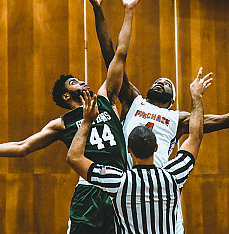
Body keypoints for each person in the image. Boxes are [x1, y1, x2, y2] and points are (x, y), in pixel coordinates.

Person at [72, 0, 229, 232]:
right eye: (157, 81)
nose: (160, 82)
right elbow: (111, 56)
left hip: (161, 187)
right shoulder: (133, 100)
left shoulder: (178, 119)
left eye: (166, 83)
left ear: (172, 100)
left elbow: (226, 119)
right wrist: (97, 10)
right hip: (128, 182)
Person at [0, 0, 148, 234]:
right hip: (89, 193)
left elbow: (119, 53)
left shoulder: (105, 97)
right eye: (74, 82)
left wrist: (123, 10)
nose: (82, 82)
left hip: (119, 188)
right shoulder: (62, 123)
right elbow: (22, 147)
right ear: (67, 96)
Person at [66, 67, 211, 234]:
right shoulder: (173, 175)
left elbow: (73, 157)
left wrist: (87, 121)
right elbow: (195, 137)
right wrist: (196, 97)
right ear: (156, 148)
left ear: (128, 148)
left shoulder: (118, 180)